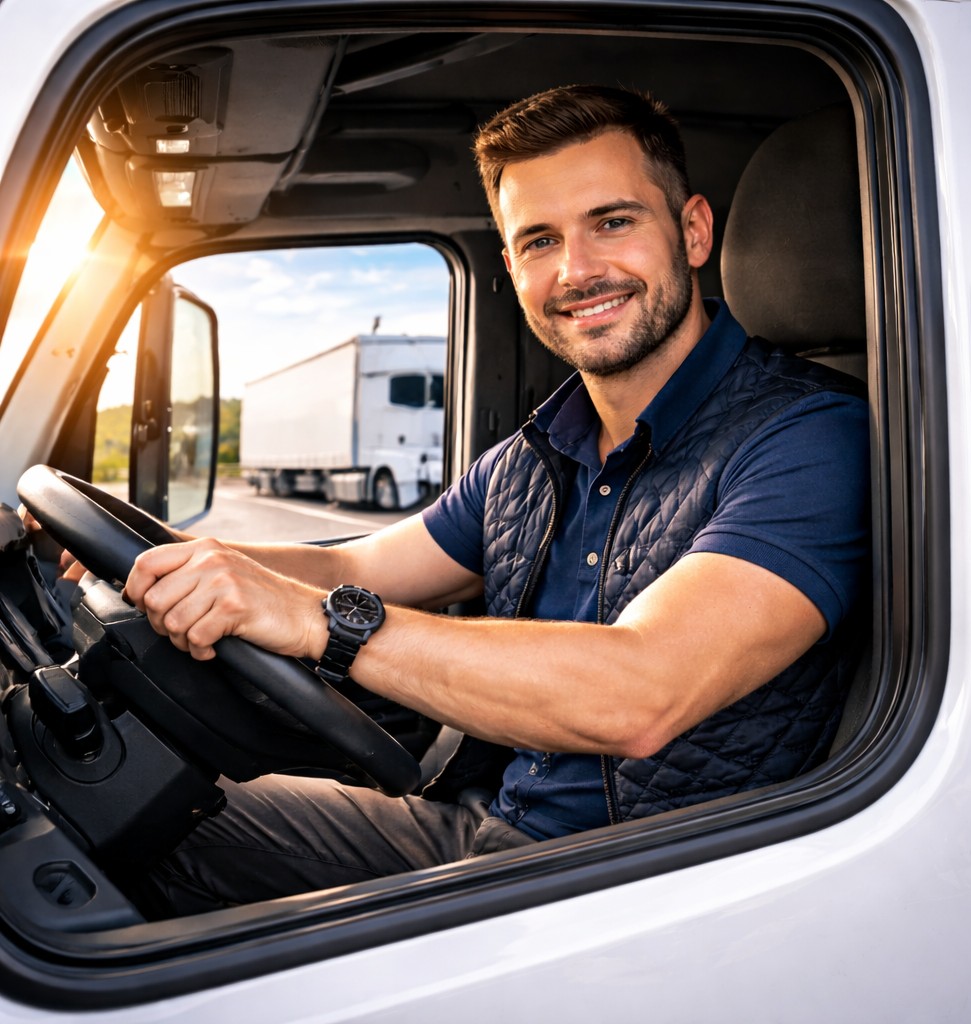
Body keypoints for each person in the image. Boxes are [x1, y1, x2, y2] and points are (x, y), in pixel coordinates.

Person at [110, 84, 869, 915]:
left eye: (612, 222)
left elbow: (641, 694)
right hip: (479, 826)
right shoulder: (533, 456)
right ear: (511, 267)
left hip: (632, 890)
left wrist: (313, 619)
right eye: (540, 240)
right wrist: (157, 554)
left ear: (691, 231)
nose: (577, 271)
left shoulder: (808, 437)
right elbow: (357, 562)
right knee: (130, 809)